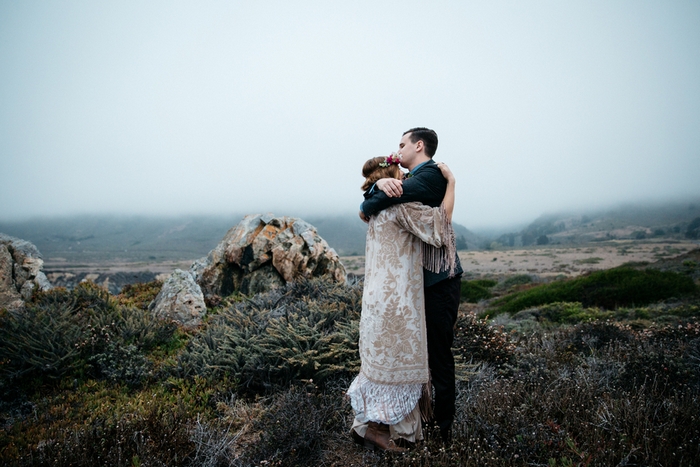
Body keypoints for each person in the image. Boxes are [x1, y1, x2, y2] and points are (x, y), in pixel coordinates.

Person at [359, 127, 463, 443]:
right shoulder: (411, 182)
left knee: (439, 356)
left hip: (439, 281)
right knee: (421, 354)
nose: (398, 149)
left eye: (402, 144)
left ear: (419, 146)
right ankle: (423, 419)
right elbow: (377, 200)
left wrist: (373, 192)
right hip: (423, 283)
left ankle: (442, 429)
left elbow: (377, 204)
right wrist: (376, 185)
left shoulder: (429, 175)